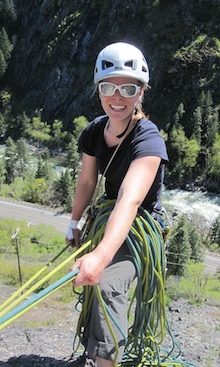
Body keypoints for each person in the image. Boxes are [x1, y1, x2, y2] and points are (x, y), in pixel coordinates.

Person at [65, 42, 168, 367]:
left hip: (141, 227)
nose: (117, 96)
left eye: (128, 88)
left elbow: (130, 199)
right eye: (109, 87)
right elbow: (86, 182)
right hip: (110, 217)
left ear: (141, 93)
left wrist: (101, 255)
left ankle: (105, 362)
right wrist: (74, 221)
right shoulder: (95, 132)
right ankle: (96, 354)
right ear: (99, 90)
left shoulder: (149, 140)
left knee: (107, 280)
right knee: (96, 276)